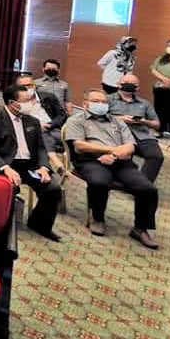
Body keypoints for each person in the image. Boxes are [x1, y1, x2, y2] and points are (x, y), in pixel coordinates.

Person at [64, 89, 158, 248]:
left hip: (120, 161)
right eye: (96, 101)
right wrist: (111, 150)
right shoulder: (76, 120)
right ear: (85, 103)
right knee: (100, 181)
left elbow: (130, 146)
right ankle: (98, 218)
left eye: (104, 102)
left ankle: (141, 229)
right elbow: (80, 145)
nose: (100, 104)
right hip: (90, 160)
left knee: (148, 188)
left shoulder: (117, 122)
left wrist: (114, 155)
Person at [0, 85, 63, 242]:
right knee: (10, 188)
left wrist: (44, 167)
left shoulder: (32, 121)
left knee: (53, 189)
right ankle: (1, 228)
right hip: (5, 164)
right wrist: (5, 168)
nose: (31, 103)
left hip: (29, 166)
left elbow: (40, 148)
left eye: (31, 99)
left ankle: (39, 224)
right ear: (12, 103)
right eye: (26, 100)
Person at [108, 74, 164, 182]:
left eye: (133, 84)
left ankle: (142, 184)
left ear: (137, 88)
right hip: (117, 133)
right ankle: (117, 179)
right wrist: (120, 118)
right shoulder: (108, 99)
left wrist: (143, 121)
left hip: (142, 135)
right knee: (121, 155)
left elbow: (157, 124)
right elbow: (98, 117)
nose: (129, 85)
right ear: (118, 84)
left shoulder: (145, 103)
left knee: (156, 156)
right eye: (126, 82)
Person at [13, 74, 67, 173]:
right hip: (31, 132)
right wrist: (37, 126)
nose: (27, 88)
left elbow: (61, 115)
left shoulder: (48, 97)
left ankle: (48, 166)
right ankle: (55, 162)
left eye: (29, 85)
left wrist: (50, 124)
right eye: (23, 86)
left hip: (53, 129)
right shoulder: (15, 102)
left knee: (48, 137)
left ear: (34, 85)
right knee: (40, 134)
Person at [149, 38, 170, 136]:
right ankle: (160, 129)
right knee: (159, 108)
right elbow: (153, 69)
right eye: (168, 46)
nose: (169, 48)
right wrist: (164, 79)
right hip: (160, 87)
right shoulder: (162, 58)